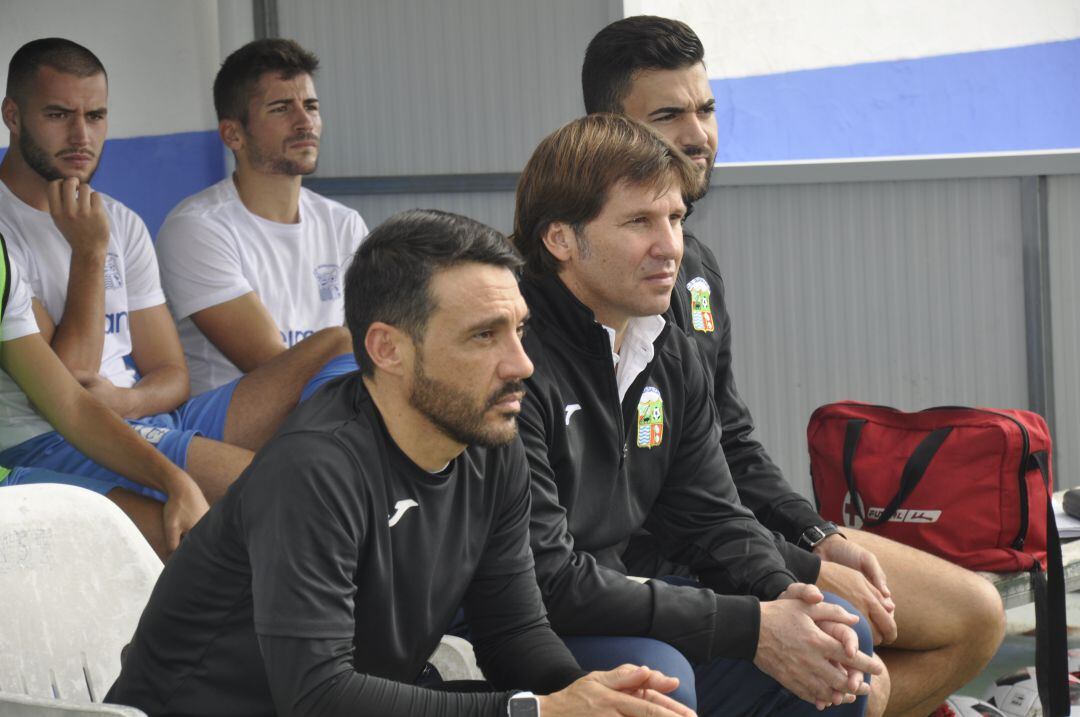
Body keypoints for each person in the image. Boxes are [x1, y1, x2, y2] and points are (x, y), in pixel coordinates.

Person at [106, 209, 697, 717]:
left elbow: (513, 632)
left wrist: (586, 696)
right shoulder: (315, 470)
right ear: (387, 349)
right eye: (484, 337)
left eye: (519, 330)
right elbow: (317, 697)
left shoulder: (492, 446)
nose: (522, 364)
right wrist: (538, 710)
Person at [580, 16, 1006, 717]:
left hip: (731, 527)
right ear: (604, 128)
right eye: (668, 115)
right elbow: (647, 499)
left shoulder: (697, 269)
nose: (698, 134)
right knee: (851, 659)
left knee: (976, 614)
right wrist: (792, 571)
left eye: (706, 108)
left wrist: (817, 535)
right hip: (661, 561)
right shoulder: (572, 287)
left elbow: (730, 436)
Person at [512, 113, 883, 717]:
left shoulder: (667, 348)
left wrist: (784, 593)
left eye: (676, 218)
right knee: (661, 679)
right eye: (639, 222)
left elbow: (711, 514)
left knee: (836, 637)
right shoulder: (512, 359)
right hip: (512, 616)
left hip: (607, 592)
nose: (671, 247)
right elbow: (547, 576)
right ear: (561, 240)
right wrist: (753, 625)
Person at [0, 38, 351, 511]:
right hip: (58, 437)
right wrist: (89, 254)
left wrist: (129, 404)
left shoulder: (120, 221)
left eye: (96, 116)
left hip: (147, 417)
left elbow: (172, 375)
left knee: (338, 344)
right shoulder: (14, 231)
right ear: (13, 117)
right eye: (59, 115)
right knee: (286, 493)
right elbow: (70, 384)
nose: (82, 137)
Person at [155, 38, 365, 397]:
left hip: (331, 414)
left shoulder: (344, 224)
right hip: (234, 428)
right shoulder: (196, 228)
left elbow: (375, 342)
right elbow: (274, 368)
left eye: (311, 106)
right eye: (281, 108)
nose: (304, 122)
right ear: (232, 134)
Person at [1, 233, 208, 559]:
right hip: (30, 448)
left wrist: (175, 482)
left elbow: (70, 403)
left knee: (195, 549)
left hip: (12, 479)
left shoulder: (2, 266)